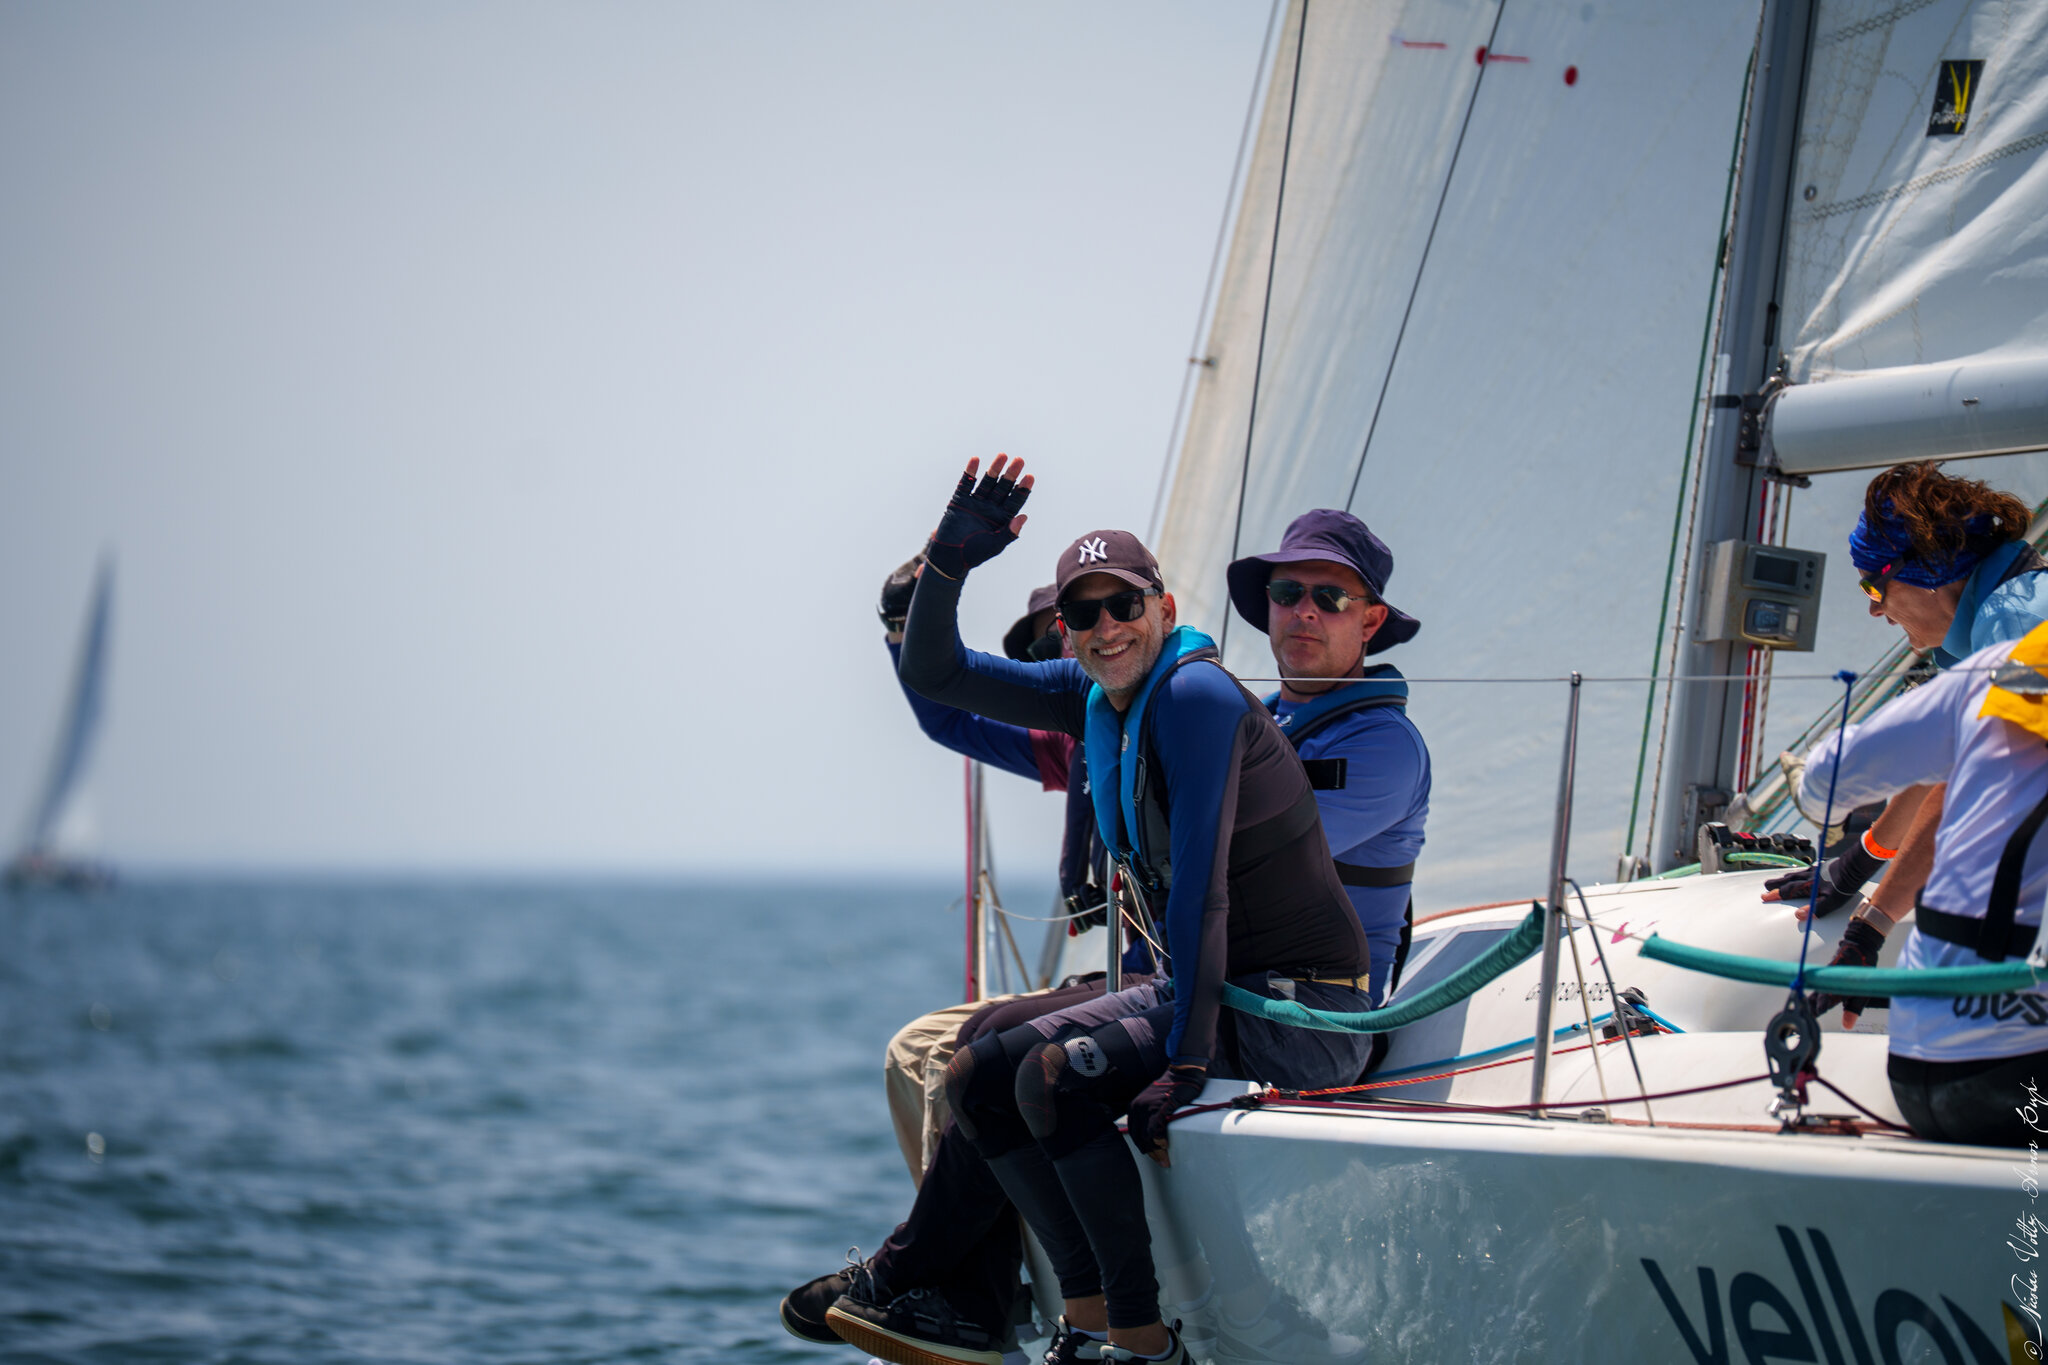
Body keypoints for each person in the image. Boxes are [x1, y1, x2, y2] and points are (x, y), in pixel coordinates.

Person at [841, 457, 1373, 1365]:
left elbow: (1203, 888)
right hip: (1214, 991)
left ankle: (1143, 1340)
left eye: (1124, 605)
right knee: (975, 1075)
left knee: (1051, 1077)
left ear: (1164, 609)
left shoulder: (1196, 696)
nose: (1105, 627)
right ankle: (1084, 1322)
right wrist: (949, 562)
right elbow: (936, 675)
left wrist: (1185, 1062)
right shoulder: (1086, 693)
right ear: (1066, 631)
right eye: (1083, 614)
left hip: (1299, 1010)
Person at [778, 570, 1107, 1359]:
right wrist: (904, 623)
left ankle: (948, 1286)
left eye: (1062, 634)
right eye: (1038, 648)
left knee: (963, 1060)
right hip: (1106, 976)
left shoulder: (1159, 725)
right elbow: (947, 718)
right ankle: (971, 1289)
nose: (1051, 655)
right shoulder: (1071, 741)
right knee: (911, 1051)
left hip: (1148, 978)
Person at [1763, 464, 2045, 1026]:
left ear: (1928, 572)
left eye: (1873, 585)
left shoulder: (2017, 623)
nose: (1873, 608)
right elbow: (1941, 764)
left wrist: (1872, 925)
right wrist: (1860, 861)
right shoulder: (2001, 614)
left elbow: (1966, 784)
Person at [1791, 619, 2048, 1146]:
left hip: (1919, 1064)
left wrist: (1811, 792)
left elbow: (1827, 779)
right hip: (2026, 1074)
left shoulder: (2006, 666)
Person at [1225, 509, 1431, 1010]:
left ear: (1370, 621)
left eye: (1331, 597)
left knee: (1055, 1049)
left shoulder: (1387, 746)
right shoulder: (1250, 722)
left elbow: (1246, 866)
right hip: (1216, 986)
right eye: (1287, 593)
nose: (1305, 611)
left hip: (1311, 1017)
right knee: (1026, 1030)